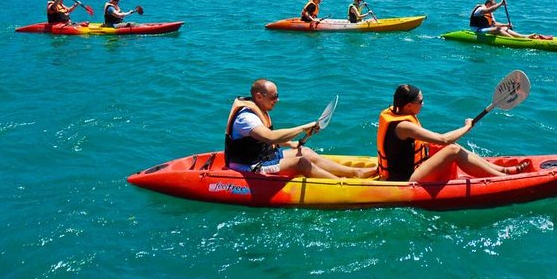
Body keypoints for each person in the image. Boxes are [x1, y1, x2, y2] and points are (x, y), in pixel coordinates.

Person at [225, 79, 377, 179]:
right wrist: (304, 127)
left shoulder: (257, 109)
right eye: (274, 96)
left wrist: (291, 144)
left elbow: (259, 141)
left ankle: (354, 172)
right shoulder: (246, 118)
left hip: (264, 157)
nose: (277, 100)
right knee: (301, 162)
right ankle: (341, 183)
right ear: (258, 97)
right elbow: (269, 137)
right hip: (250, 166)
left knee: (305, 152)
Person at [376, 84, 530, 182]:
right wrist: (467, 127)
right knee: (452, 148)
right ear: (408, 106)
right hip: (405, 179)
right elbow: (443, 139)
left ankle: (503, 170)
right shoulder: (403, 126)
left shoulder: (397, 113)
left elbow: (436, 139)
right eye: (420, 101)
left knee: (452, 145)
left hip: (412, 168)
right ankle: (503, 179)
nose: (423, 104)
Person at [469, 0, 535, 38]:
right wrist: (500, 4)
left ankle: (523, 36)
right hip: (477, 30)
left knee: (505, 28)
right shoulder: (480, 9)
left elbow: (494, 24)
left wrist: (506, 25)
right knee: (498, 29)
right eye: (493, 5)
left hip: (485, 29)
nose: (494, 7)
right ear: (488, 4)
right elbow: (490, 10)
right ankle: (514, 40)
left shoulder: (490, 13)